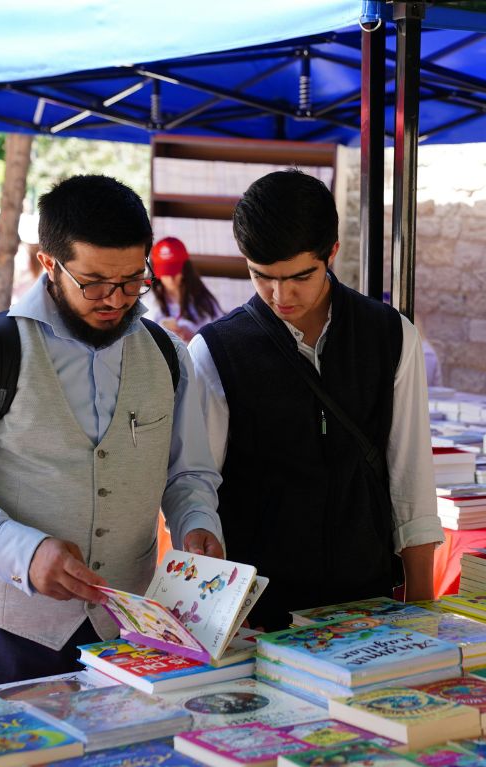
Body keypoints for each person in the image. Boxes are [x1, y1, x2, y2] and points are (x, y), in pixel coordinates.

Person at [0, 174, 224, 686]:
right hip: (1, 635)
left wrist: (197, 523)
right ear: (49, 263)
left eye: (133, 281)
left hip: (126, 632)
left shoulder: (168, 356)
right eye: (94, 283)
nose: (116, 299)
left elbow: (188, 475)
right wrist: (23, 550)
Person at [189, 169, 443, 631]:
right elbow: (196, 489)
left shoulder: (391, 336)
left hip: (368, 605)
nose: (280, 295)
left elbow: (411, 481)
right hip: (256, 614)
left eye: (300, 276)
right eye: (260, 276)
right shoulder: (215, 352)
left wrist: (423, 610)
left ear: (332, 254)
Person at [146, 237, 224, 342]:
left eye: (174, 270)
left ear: (185, 269)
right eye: (165, 272)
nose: (170, 278)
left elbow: (220, 334)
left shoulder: (203, 302)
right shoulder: (149, 302)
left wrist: (194, 336)